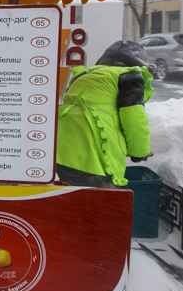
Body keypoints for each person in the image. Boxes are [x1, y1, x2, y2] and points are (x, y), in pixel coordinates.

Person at [56, 40, 154, 188]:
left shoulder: (84, 74)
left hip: (62, 147)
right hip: (94, 149)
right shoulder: (128, 76)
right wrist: (139, 152)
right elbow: (133, 118)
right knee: (100, 201)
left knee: (71, 198)